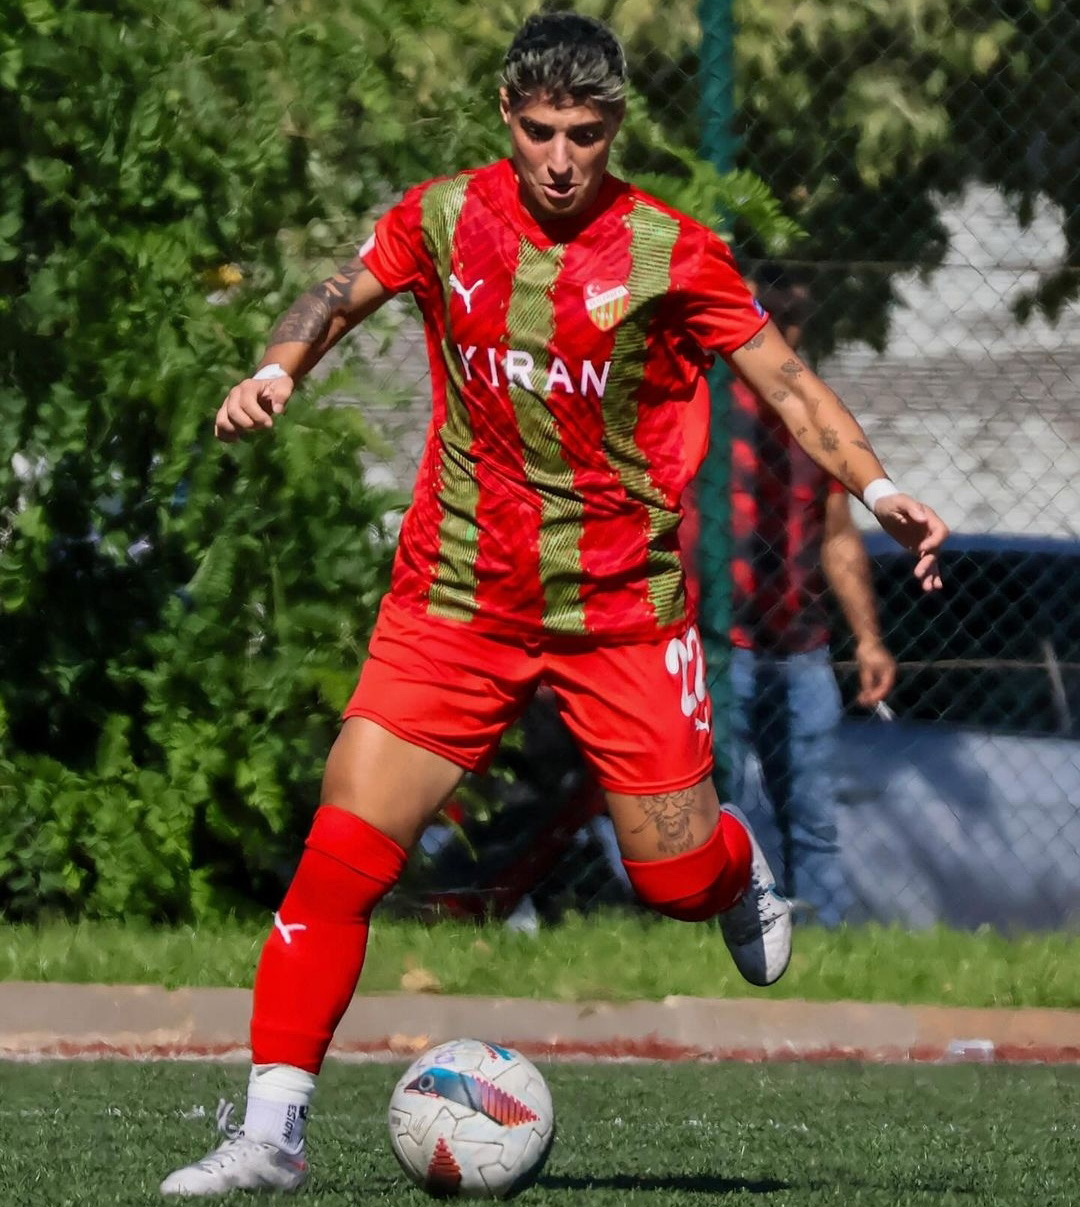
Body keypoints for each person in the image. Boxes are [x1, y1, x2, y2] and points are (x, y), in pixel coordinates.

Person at [160, 12, 948, 1195]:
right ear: (506, 116)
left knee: (674, 880)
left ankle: (738, 870)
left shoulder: (670, 251)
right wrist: (277, 367)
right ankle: (271, 1136)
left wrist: (878, 490)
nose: (563, 157)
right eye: (541, 131)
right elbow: (335, 291)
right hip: (455, 600)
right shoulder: (443, 217)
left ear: (616, 125)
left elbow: (788, 384)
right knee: (342, 852)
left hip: (621, 613)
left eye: (587, 133)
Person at [725, 265, 897, 926]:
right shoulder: (708, 409)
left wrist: (869, 638)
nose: (786, 334)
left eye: (795, 321)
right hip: (721, 645)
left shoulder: (813, 417)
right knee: (712, 808)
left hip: (801, 649)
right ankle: (716, 929)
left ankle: (820, 935)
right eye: (774, 317)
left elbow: (838, 534)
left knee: (814, 820)